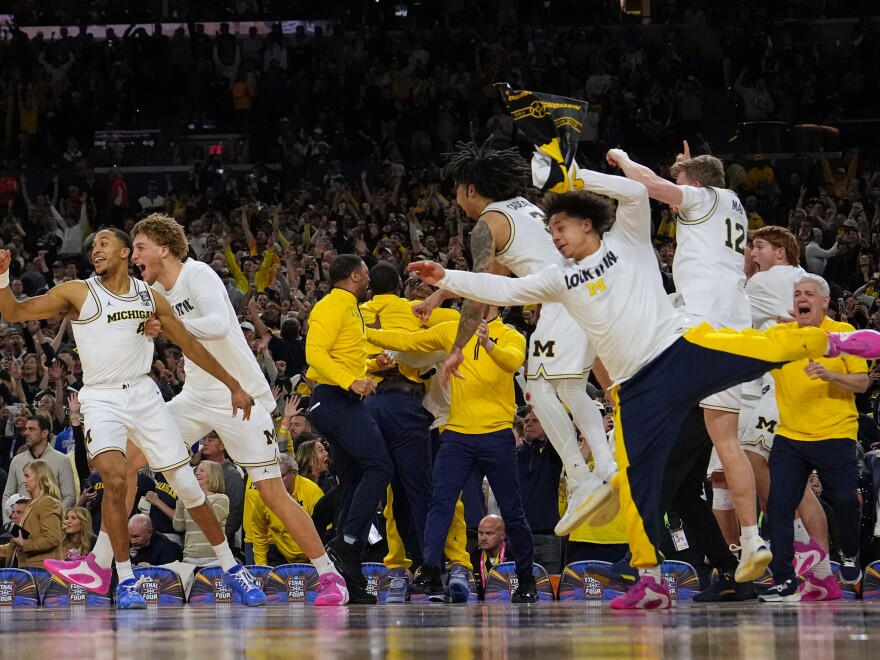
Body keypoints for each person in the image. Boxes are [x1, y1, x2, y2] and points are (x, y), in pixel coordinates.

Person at [406, 156, 880, 609]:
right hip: (637, 389)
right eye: (550, 231)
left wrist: (578, 174)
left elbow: (635, 191)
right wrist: (447, 276)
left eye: (561, 227)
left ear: (588, 224)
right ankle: (649, 580)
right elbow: (504, 288)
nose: (555, 238)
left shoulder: (628, 240)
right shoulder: (558, 278)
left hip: (676, 351)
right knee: (635, 485)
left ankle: (835, 341)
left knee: (760, 348)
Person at [0, 229, 264, 610]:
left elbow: (189, 345)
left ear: (125, 253)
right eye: (93, 246)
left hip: (144, 395)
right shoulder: (79, 292)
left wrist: (233, 385)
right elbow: (14, 311)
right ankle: (124, 579)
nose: (96, 249)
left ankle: (231, 567)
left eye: (104, 243)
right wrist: (3, 276)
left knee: (188, 486)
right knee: (115, 479)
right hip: (101, 398)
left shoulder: (149, 297)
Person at [130, 213, 348, 606]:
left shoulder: (198, 274)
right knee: (126, 462)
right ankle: (103, 565)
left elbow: (217, 324)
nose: (134, 256)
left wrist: (171, 325)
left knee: (272, 494)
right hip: (195, 397)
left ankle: (330, 576)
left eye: (140, 247)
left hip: (240, 398)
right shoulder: (155, 293)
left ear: (163, 249)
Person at [414, 140, 615, 537]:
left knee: (537, 388)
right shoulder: (523, 209)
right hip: (593, 291)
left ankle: (581, 480)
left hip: (563, 298)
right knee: (570, 388)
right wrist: (441, 294)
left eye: (457, 190)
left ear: (471, 188)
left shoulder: (487, 224)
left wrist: (457, 349)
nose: (456, 200)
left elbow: (482, 294)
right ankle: (606, 467)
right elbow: (498, 277)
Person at [610, 143, 771, 582]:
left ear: (695, 185)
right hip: (734, 330)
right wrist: (685, 166)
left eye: (681, 181)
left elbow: (651, 185)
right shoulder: (731, 203)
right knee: (724, 443)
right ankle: (751, 539)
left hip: (702, 331)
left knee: (649, 431)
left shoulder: (699, 198)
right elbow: (692, 185)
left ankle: (641, 563)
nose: (675, 193)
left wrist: (623, 159)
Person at [366, 305, 537, 603]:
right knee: (440, 502)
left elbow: (512, 362)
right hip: (457, 434)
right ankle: (431, 569)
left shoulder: (511, 335)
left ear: (494, 302)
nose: (471, 301)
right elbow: (407, 341)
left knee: (512, 511)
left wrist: (488, 344)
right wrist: (362, 330)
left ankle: (526, 580)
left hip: (496, 434)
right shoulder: (451, 330)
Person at [759, 275, 867, 602]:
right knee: (778, 506)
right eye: (796, 294)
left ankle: (848, 553)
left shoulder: (843, 333)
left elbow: (862, 383)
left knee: (846, 500)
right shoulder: (780, 335)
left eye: (808, 293)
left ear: (824, 301)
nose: (801, 298)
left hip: (836, 432)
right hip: (790, 436)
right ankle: (783, 578)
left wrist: (831, 374)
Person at [303, 254, 393, 605]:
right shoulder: (331, 305)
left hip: (342, 400)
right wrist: (351, 381)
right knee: (380, 467)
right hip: (333, 400)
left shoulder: (350, 308)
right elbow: (314, 354)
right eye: (366, 273)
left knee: (354, 481)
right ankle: (347, 542)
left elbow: (344, 357)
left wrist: (372, 365)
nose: (369, 278)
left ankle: (348, 573)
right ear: (355, 276)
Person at [742, 226, 830, 584]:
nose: (752, 253)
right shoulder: (806, 280)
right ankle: (822, 573)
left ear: (780, 253)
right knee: (797, 482)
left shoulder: (763, 281)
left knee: (751, 457)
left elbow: (728, 314)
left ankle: (798, 539)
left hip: (785, 385)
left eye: (759, 246)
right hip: (811, 385)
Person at [245, 454, 325, 565]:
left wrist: (317, 565)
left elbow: (325, 532)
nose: (275, 482)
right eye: (271, 477)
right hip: (282, 555)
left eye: (280, 476)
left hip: (315, 558)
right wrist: (261, 566)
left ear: (294, 473)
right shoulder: (265, 495)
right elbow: (259, 531)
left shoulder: (312, 492)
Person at [516, 407, 563, 573]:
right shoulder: (515, 454)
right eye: (526, 421)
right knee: (516, 583)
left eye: (535, 421)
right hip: (518, 535)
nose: (529, 424)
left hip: (548, 534)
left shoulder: (553, 454)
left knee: (551, 584)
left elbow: (560, 429)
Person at [3, 416, 76, 520]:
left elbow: (69, 497)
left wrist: (53, 518)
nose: (26, 433)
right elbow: (8, 495)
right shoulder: (17, 460)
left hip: (50, 525)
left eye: (31, 429)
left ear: (44, 433)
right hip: (21, 524)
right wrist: (8, 522)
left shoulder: (62, 460)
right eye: (26, 429)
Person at [2, 460, 63, 568]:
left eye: (27, 476)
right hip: (29, 569)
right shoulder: (32, 504)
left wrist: (24, 544)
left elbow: (53, 538)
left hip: (43, 570)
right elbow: (24, 538)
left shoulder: (47, 502)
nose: (23, 480)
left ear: (39, 477)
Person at [174, 462, 230, 566]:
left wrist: (198, 495)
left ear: (213, 476)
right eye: (197, 470)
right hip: (190, 557)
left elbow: (208, 522)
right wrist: (181, 502)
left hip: (214, 558)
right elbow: (178, 527)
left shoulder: (221, 499)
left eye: (202, 470)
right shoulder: (189, 500)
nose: (197, 473)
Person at [470, 514, 506, 601]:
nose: (483, 538)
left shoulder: (515, 558)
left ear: (502, 535)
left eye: (489, 533)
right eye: (480, 533)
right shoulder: (471, 559)